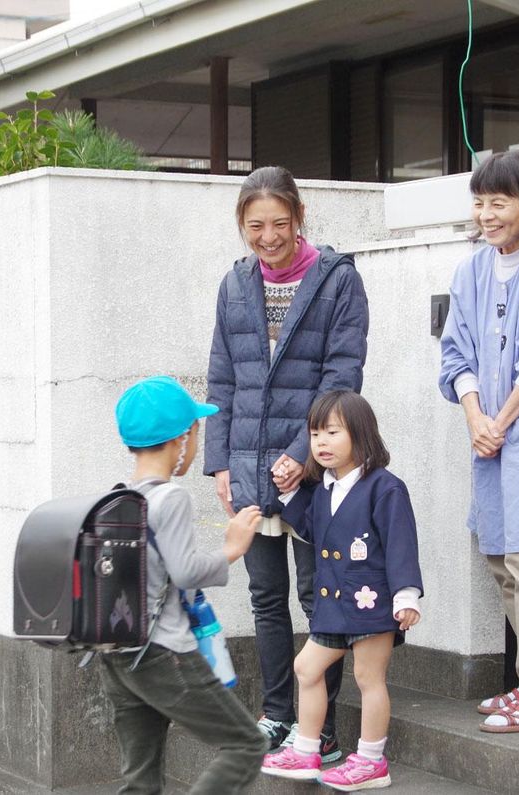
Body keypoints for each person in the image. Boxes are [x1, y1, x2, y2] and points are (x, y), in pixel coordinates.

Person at [204, 165, 369, 758]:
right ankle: (277, 714)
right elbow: (222, 379)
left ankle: (318, 727)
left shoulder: (338, 280)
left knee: (319, 598)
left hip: (318, 469)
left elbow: (342, 376)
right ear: (242, 227)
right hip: (249, 468)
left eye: (279, 223)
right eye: (255, 226)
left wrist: (304, 455)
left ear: (299, 218)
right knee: (266, 599)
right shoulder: (234, 284)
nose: (268, 237)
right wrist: (220, 463)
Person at [100, 375, 267, 794]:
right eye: (196, 431)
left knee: (140, 779)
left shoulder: (119, 497)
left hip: (118, 654)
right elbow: (186, 572)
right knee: (246, 744)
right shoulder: (170, 498)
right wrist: (232, 548)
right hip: (163, 654)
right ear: (182, 438)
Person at [261, 390, 422, 791]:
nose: (321, 443)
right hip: (333, 604)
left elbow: (402, 544)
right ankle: (306, 750)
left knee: (369, 677)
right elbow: (313, 531)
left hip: (372, 603)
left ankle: (370, 762)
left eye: (332, 432)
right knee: (306, 667)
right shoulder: (324, 489)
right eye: (315, 434)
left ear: (360, 433)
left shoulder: (385, 487)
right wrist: (288, 493)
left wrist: (406, 596)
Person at [439, 149, 519, 733]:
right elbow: (455, 351)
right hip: (489, 437)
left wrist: (499, 421)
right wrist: (476, 417)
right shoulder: (470, 270)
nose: (487, 213)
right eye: (480, 202)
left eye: (499, 201)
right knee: (501, 559)